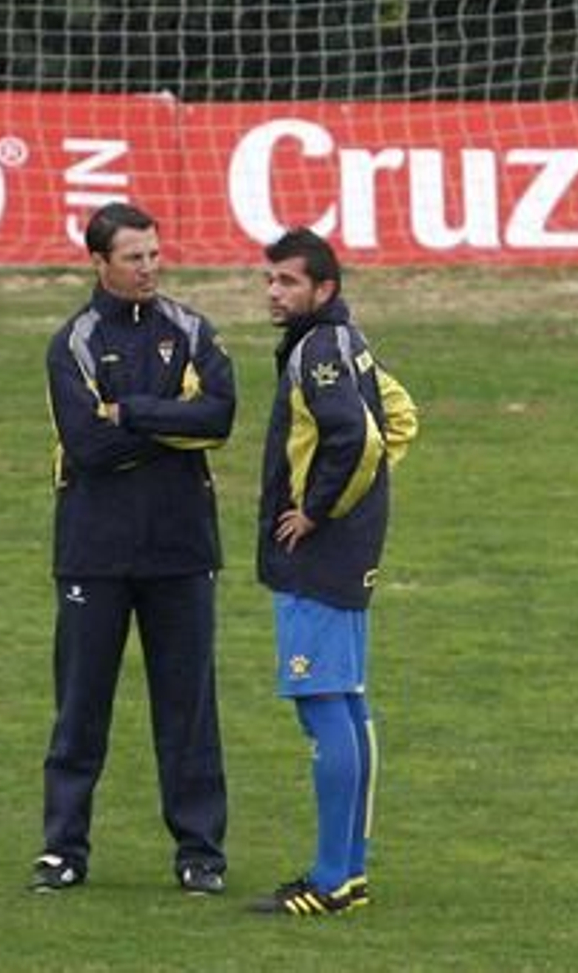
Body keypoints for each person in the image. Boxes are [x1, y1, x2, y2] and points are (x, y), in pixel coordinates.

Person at [30, 202, 235, 896]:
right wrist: (172, 422)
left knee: (189, 710)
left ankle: (200, 851)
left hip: (182, 549)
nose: (149, 268)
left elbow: (220, 416)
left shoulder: (192, 329)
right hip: (94, 551)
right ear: (99, 263)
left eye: (154, 254)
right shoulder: (73, 343)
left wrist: (131, 410)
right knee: (81, 709)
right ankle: (63, 849)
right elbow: (87, 447)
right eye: (133, 257)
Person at [247, 227, 418, 917]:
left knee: (323, 706)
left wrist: (319, 510)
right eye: (269, 279)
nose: (273, 292)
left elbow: (360, 435)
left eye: (287, 281)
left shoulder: (318, 351)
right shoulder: (348, 340)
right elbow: (401, 417)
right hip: (351, 546)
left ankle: (330, 879)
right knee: (347, 699)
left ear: (324, 289)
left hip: (320, 553)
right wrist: (365, 500)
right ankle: (348, 872)